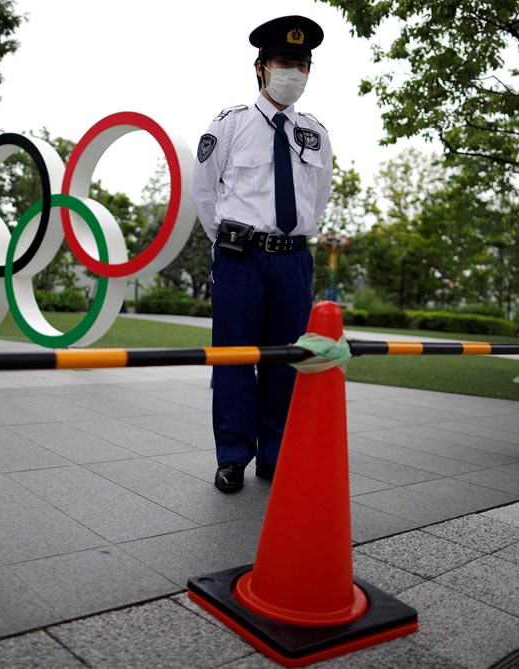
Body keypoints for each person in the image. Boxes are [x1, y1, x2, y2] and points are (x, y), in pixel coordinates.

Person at [190, 15, 333, 492]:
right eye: (285, 62)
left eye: (303, 64)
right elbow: (205, 194)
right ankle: (232, 455)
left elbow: (319, 196)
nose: (295, 72)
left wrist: (288, 241)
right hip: (240, 257)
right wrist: (232, 242)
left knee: (286, 359)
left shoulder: (315, 133)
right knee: (233, 356)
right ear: (261, 67)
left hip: (292, 260)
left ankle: (274, 455)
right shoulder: (228, 126)